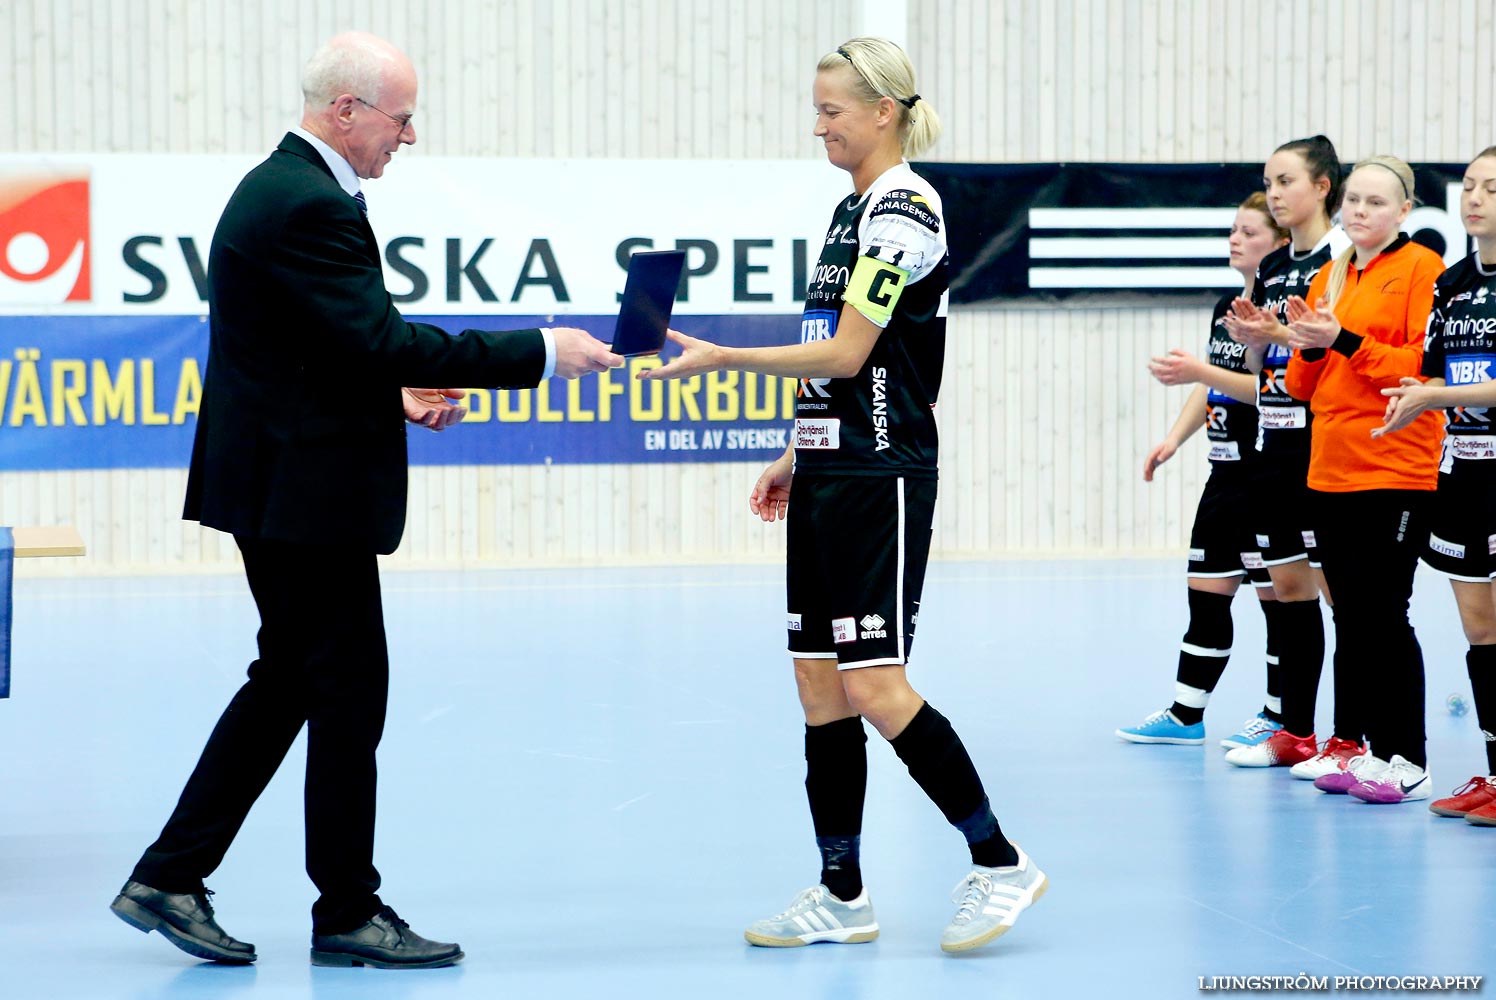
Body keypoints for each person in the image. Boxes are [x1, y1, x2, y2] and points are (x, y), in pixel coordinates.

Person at [108, 32, 621, 968]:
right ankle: (338, 907)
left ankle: (179, 874)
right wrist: (542, 351)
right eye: (401, 116)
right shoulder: (307, 204)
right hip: (300, 495)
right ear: (347, 112)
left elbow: (315, 347)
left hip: (285, 481)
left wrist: (386, 392)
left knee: (298, 680)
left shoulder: (289, 191)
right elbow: (380, 338)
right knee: (341, 690)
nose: (410, 135)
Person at [639, 36, 1045, 955]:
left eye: (832, 110)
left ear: (883, 113)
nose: (818, 124)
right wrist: (796, 448)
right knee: (818, 684)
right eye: (816, 108)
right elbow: (837, 355)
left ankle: (1000, 860)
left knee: (872, 682)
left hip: (882, 473)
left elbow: (851, 353)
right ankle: (843, 891)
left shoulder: (904, 209)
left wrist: (723, 355)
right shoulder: (844, 213)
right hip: (830, 467)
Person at [1283, 155, 1445, 804]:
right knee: (1351, 615)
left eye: (1376, 203)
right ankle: (1369, 750)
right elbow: (1300, 384)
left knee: (1385, 614)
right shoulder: (1332, 272)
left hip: (1395, 467)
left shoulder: (1422, 270)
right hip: (1331, 469)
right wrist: (1313, 342)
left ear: (1404, 212)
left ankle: (1409, 756)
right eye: (1353, 200)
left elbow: (1416, 367)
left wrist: (1343, 339)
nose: (1359, 212)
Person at [1118, 193, 1290, 749]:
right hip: (1224, 476)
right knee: (1206, 594)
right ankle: (1185, 714)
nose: (1236, 240)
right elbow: (1212, 380)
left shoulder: (1281, 312)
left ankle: (1279, 715)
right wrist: (1173, 438)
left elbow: (1275, 394)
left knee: (1278, 604)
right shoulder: (1226, 304)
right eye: (1233, 230)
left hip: (1266, 474)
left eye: (1250, 232)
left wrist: (1198, 368)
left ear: (1281, 242)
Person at [1218, 136, 1351, 772]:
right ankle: (1296, 732)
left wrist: (1281, 334)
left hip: (1321, 445)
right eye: (1269, 182)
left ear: (1323, 187)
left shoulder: (1343, 259)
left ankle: (1353, 737)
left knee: (1339, 593)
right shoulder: (1271, 268)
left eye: (1287, 181)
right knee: (1287, 586)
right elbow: (1262, 362)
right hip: (1270, 441)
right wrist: (1252, 338)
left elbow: (1336, 352)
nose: (1275, 194)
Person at [1374, 146, 1496, 825]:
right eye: (1470, 186)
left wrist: (1436, 393)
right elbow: (1429, 370)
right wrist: (1416, 394)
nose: (1474, 197)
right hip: (1463, 472)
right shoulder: (1451, 285)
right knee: (1481, 631)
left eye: (1491, 188)